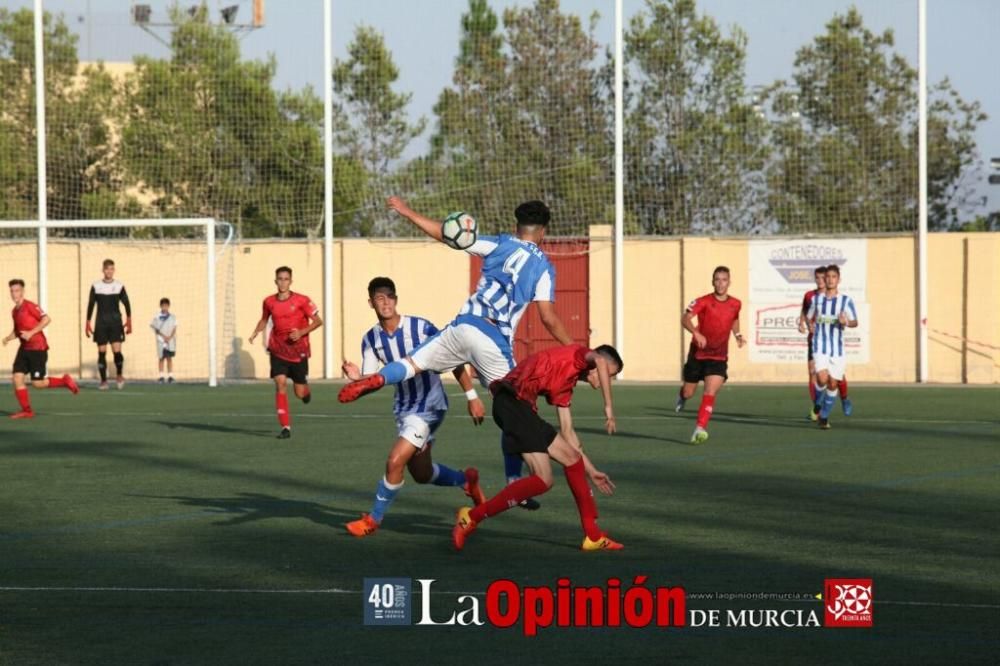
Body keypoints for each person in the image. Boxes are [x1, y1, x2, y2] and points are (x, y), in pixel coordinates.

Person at [340, 196, 575, 509]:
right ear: (543, 232)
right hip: (493, 339)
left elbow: (445, 234)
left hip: (463, 324)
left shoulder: (499, 243)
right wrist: (575, 349)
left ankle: (377, 379)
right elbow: (547, 317)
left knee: (410, 364)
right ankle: (514, 481)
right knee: (516, 410)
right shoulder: (544, 267)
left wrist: (407, 210)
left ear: (516, 227)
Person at [341, 277, 488, 537]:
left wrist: (472, 396)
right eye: (379, 298)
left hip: (430, 406)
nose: (385, 302)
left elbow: (452, 359)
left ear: (396, 300)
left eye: (389, 296)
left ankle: (373, 520)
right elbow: (373, 380)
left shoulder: (421, 327)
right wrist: (357, 380)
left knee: (394, 461)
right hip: (405, 409)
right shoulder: (371, 340)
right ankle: (466, 481)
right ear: (371, 303)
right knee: (422, 473)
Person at [452, 343, 624, 552]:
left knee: (572, 459)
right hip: (511, 403)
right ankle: (470, 517)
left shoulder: (567, 385)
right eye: (608, 374)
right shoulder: (579, 354)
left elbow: (568, 433)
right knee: (544, 479)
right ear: (600, 364)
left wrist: (592, 470)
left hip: (523, 409)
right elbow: (597, 360)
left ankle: (593, 535)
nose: (607, 380)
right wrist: (608, 408)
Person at [248, 266, 323, 439]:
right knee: (280, 382)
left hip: (299, 350)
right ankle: (285, 427)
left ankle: (306, 391)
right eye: (280, 279)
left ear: (291, 281)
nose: (282, 282)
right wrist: (256, 331)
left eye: (286, 279)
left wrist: (301, 332)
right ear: (275, 281)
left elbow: (319, 321)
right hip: (278, 349)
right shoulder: (268, 301)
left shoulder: (302, 300)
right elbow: (264, 319)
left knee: (299, 392)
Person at [674, 266, 744, 444]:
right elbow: (685, 318)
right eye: (717, 279)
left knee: (710, 391)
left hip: (718, 356)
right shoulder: (703, 301)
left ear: (729, 282)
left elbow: (734, 318)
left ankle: (699, 428)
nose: (721, 283)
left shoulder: (736, 303)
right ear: (713, 281)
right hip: (698, 354)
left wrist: (737, 335)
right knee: (689, 392)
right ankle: (682, 396)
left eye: (724, 280)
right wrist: (695, 333)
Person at [3, 279, 78, 418]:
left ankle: (64, 381)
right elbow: (18, 330)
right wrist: (8, 338)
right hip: (24, 348)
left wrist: (31, 333)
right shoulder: (14, 311)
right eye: (12, 291)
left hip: (38, 348)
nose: (14, 294)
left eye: (17, 290)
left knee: (37, 383)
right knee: (17, 377)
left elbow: (47, 319)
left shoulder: (30, 306)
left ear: (23, 291)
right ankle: (27, 410)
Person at [807, 264, 858, 429]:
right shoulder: (816, 299)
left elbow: (855, 322)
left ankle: (824, 415)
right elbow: (809, 317)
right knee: (821, 378)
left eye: (833, 277)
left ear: (838, 280)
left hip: (837, 348)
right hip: (820, 345)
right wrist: (809, 325)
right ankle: (818, 403)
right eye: (827, 277)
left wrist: (846, 322)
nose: (829, 280)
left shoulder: (845, 300)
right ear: (824, 279)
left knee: (833, 384)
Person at [799, 266, 851, 419]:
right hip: (815, 341)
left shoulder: (837, 298)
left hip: (833, 343)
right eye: (818, 278)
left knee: (836, 377)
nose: (821, 281)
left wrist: (844, 322)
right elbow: (805, 310)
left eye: (824, 277)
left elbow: (846, 317)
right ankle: (817, 407)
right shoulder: (810, 296)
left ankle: (844, 398)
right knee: (813, 372)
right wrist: (804, 323)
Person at [85, 258, 131, 390]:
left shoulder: (119, 285)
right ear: (103, 270)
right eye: (107, 269)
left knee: (117, 351)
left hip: (116, 323)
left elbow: (126, 303)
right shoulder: (96, 286)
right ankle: (104, 381)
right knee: (101, 352)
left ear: (114, 270)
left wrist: (129, 319)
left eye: (111, 269)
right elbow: (91, 304)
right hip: (101, 324)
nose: (109, 271)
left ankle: (119, 375)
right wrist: (88, 321)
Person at [150, 297, 177, 383]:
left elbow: (174, 328)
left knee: (169, 358)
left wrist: (170, 337)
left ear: (169, 306)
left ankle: (170, 376)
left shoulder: (172, 317)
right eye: (163, 306)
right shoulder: (157, 317)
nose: (164, 307)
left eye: (166, 306)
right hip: (161, 340)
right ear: (160, 306)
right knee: (161, 357)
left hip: (170, 340)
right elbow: (155, 328)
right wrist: (163, 336)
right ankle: (161, 376)